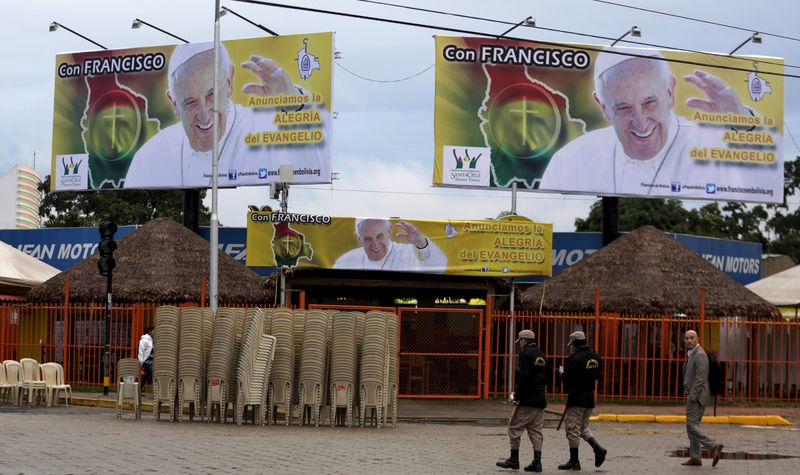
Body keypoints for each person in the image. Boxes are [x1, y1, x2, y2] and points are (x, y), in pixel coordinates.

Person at [538, 48, 780, 199]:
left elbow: (769, 184)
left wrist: (743, 122)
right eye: (623, 108)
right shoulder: (570, 162)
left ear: (670, 92)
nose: (641, 123)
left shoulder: (715, 144)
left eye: (650, 102)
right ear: (603, 107)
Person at [124, 42, 328, 189]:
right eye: (190, 102)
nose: (204, 115)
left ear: (229, 82)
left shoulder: (267, 128)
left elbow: (320, 162)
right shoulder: (149, 157)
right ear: (174, 103)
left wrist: (295, 106)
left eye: (212, 94)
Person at [496, 329, 548, 472]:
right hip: (540, 399)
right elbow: (546, 378)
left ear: (524, 340)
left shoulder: (525, 354)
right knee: (536, 431)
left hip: (527, 400)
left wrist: (517, 397)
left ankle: (514, 460)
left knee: (514, 427)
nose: (520, 344)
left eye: (520, 341)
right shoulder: (541, 355)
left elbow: (523, 377)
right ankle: (537, 463)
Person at [558, 331, 606, 471]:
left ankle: (574, 461)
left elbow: (567, 382)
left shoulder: (574, 358)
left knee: (572, 429)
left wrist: (562, 375)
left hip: (576, 399)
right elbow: (598, 377)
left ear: (574, 343)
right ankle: (598, 449)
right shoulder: (596, 356)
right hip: (589, 398)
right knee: (583, 428)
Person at [333, 218, 447, 272]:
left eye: (380, 236)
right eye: (368, 239)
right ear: (358, 237)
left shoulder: (408, 253)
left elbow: (438, 268)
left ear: (389, 231)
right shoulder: (345, 261)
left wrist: (421, 243)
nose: (375, 244)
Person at [682, 330, 724, 467]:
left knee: (691, 426)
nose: (689, 340)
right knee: (693, 426)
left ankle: (713, 446)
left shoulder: (699, 355)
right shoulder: (692, 353)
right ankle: (695, 457)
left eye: (692, 338)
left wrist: (692, 396)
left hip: (697, 397)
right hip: (695, 395)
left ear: (697, 339)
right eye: (687, 338)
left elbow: (700, 379)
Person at [137, 326, 154, 395]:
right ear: (149, 331)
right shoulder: (144, 340)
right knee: (153, 375)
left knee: (146, 377)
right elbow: (141, 351)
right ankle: (156, 393)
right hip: (146, 362)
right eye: (153, 331)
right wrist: (141, 362)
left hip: (152, 362)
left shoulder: (152, 340)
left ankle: (138, 390)